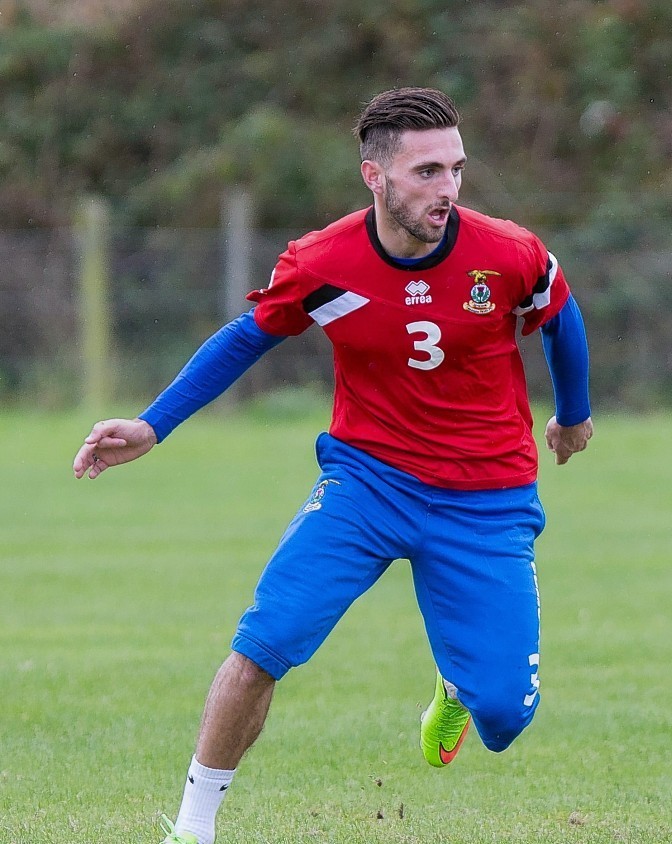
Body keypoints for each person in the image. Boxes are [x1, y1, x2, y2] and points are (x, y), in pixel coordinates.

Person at [73, 86, 593, 844]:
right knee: (263, 643)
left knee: (504, 717)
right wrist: (153, 425)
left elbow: (561, 313)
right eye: (425, 172)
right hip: (367, 483)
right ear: (374, 177)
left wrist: (573, 418)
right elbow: (245, 338)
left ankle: (456, 684)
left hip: (487, 496)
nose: (447, 189)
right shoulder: (323, 263)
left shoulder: (507, 252)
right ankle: (191, 828)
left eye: (456, 169)